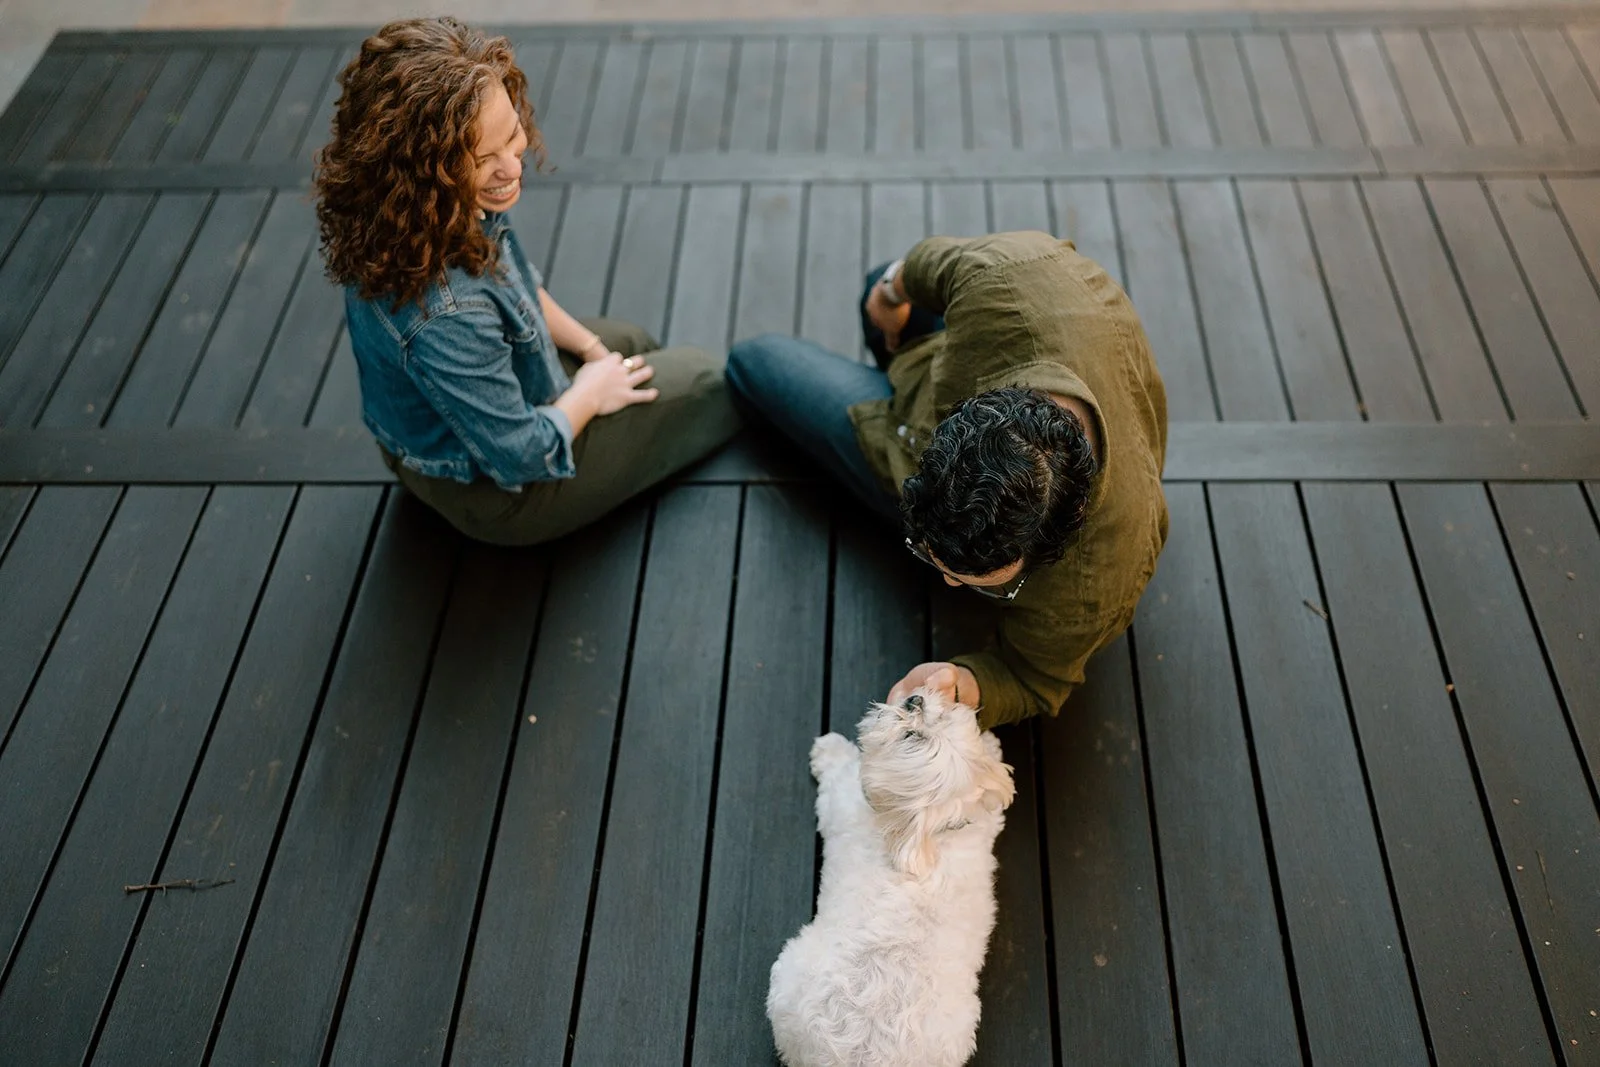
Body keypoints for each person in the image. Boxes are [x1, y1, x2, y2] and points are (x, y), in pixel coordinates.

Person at [313, 17, 738, 546]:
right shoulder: (446, 314)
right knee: (712, 381)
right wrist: (587, 393)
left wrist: (589, 348)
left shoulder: (419, 211)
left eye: (512, 137)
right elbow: (520, 455)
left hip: (450, 427)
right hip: (494, 490)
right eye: (481, 159)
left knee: (628, 341)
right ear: (422, 172)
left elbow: (517, 285)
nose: (512, 168)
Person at [727, 232, 1169, 730]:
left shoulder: (1093, 586)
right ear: (958, 425)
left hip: (891, 433)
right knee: (875, 281)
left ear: (1060, 539)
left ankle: (885, 362)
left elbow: (1035, 680)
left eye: (985, 585)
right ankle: (892, 335)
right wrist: (891, 293)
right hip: (921, 395)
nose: (947, 582)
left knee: (750, 361)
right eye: (929, 553)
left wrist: (965, 681)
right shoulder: (1008, 279)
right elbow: (938, 263)